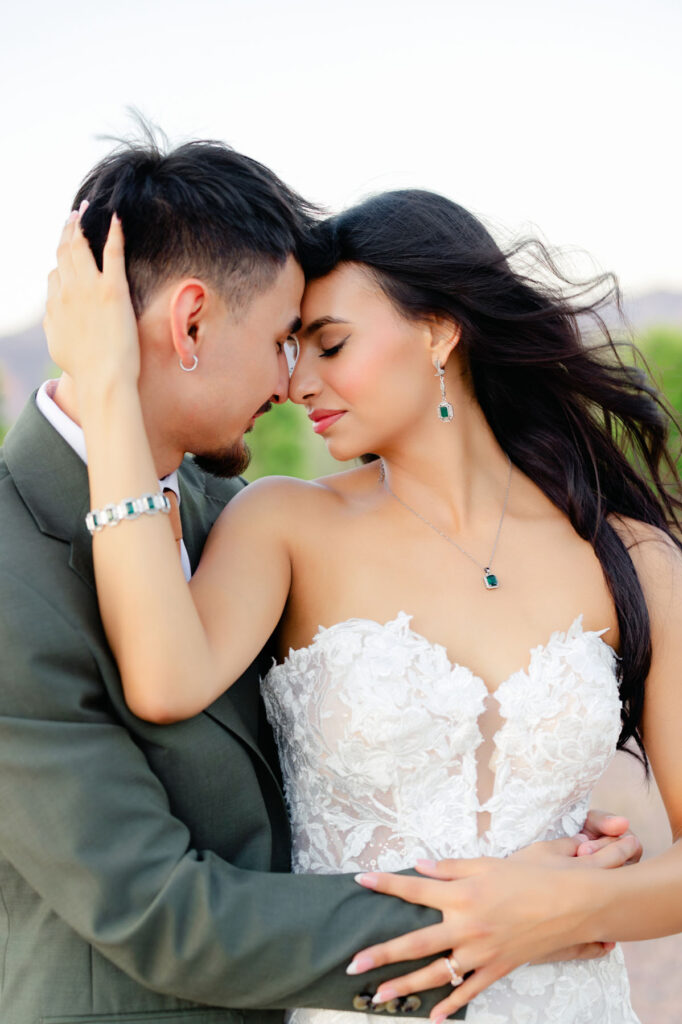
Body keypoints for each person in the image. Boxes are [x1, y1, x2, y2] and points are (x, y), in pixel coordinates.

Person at [0, 138, 633, 1024]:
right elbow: (157, 913)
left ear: (439, 332)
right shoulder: (21, 561)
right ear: (188, 326)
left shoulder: (228, 504)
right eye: (283, 342)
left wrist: (594, 889)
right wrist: (515, 911)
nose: (292, 383)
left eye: (322, 343)